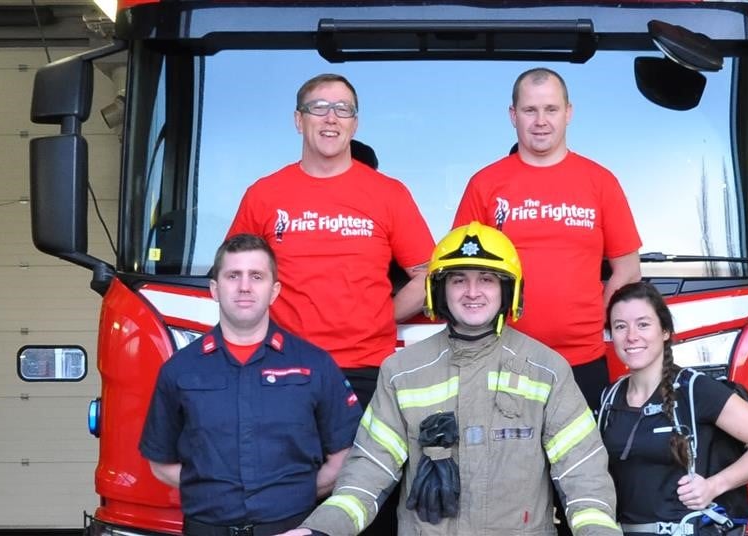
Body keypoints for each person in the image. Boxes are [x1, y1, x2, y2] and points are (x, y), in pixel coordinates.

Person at [282, 222, 622, 536]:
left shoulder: (546, 370)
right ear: (439, 291)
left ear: (508, 290)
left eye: (486, 279)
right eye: (459, 279)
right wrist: (321, 529)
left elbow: (583, 473)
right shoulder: (402, 372)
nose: (472, 291)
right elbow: (369, 471)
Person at [228, 73, 434, 409]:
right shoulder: (263, 195)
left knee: (361, 464)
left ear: (355, 124)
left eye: (343, 109)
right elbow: (235, 276)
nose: (331, 118)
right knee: (286, 464)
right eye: (319, 107)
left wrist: (382, 316)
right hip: (281, 366)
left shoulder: (389, 194)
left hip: (366, 370)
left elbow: (428, 274)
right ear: (299, 120)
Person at [139, 234, 363, 536]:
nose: (244, 286)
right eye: (233, 276)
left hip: (292, 528)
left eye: (256, 276)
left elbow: (344, 457)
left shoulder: (316, 365)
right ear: (215, 290)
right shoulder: (179, 370)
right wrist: (214, 491)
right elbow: (160, 463)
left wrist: (290, 494)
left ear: (274, 291)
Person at [453, 67, 642, 413]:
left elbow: (628, 271)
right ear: (513, 115)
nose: (541, 121)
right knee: (504, 467)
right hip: (502, 359)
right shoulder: (485, 184)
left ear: (568, 113)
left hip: (582, 361)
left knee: (581, 466)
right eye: (530, 110)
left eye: (551, 109)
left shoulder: (600, 182)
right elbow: (459, 273)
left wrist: (592, 320)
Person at [600, 282, 748, 535]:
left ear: (665, 330)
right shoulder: (609, 398)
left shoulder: (694, 389)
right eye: (620, 326)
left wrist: (714, 485)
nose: (631, 336)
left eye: (643, 324)